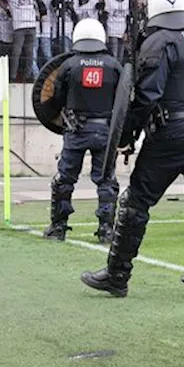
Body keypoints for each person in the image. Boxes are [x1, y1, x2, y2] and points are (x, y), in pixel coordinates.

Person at [80, 0, 184, 298]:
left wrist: (127, 134)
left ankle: (117, 275)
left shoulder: (160, 41)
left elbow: (146, 94)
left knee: (135, 203)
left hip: (170, 133)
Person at [40, 18, 121, 243]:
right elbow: (123, 101)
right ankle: (106, 229)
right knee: (106, 180)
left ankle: (59, 227)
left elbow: (56, 98)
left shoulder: (69, 65)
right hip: (105, 131)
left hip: (76, 131)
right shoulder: (114, 65)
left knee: (64, 180)